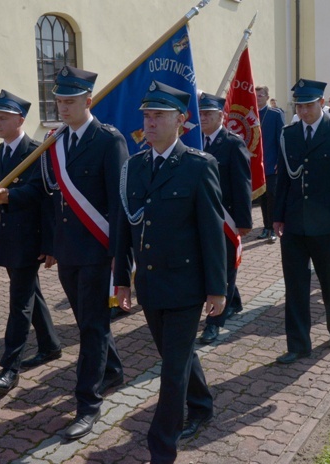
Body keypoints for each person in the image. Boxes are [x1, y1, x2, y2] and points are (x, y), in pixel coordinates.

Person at [0, 65, 128, 439]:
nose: (62, 107)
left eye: (70, 101)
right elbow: (45, 195)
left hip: (98, 250)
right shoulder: (55, 142)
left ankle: (88, 404)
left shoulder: (108, 140)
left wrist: (121, 258)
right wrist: (9, 198)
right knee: (87, 322)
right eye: (59, 101)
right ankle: (112, 369)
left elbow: (119, 203)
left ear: (88, 100)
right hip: (68, 251)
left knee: (93, 329)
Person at [114, 80, 227, 464]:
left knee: (171, 370)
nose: (150, 122)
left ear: (181, 120)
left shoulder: (198, 166)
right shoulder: (134, 166)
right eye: (147, 114)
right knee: (177, 356)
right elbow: (123, 229)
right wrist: (120, 280)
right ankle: (202, 404)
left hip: (186, 286)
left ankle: (161, 447)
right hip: (149, 283)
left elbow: (213, 233)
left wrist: (217, 288)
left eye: (159, 115)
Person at [0, 90, 61, 394]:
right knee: (29, 294)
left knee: (20, 303)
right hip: (4, 241)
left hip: (30, 242)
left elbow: (45, 198)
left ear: (20, 120)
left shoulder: (37, 151)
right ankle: (51, 345)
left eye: (4, 118)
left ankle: (9, 367)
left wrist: (51, 244)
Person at [273, 78, 330, 363]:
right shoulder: (289, 134)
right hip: (295, 223)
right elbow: (284, 179)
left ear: (322, 103)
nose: (303, 111)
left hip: (327, 223)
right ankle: (298, 344)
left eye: (309, 105)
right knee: (295, 285)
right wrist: (278, 217)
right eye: (299, 106)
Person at [197, 92, 252, 344]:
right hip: (201, 218)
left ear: (221, 116)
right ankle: (234, 300)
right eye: (201, 113)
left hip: (226, 219)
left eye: (209, 114)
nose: (204, 117)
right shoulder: (195, 142)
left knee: (225, 267)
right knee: (219, 268)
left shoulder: (232, 143)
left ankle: (213, 323)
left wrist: (243, 222)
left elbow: (242, 185)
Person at [255, 85, 285, 243]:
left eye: (260, 95)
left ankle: (272, 228)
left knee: (272, 195)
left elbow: (281, 138)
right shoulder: (251, 114)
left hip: (271, 161)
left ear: (267, 97)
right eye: (255, 95)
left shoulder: (274, 114)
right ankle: (265, 226)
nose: (257, 97)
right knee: (261, 196)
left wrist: (280, 161)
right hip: (256, 164)